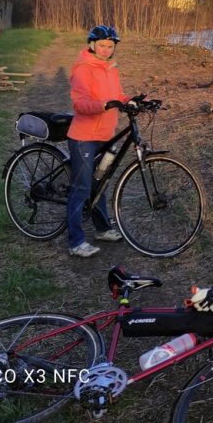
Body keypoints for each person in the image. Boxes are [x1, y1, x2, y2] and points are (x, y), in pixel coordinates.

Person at [66, 25, 132, 257]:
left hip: (106, 134)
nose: (106, 50)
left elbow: (117, 94)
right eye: (102, 45)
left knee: (100, 184)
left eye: (110, 46)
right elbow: (80, 103)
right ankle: (75, 242)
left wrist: (130, 100)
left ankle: (102, 229)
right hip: (84, 136)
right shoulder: (83, 68)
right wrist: (101, 106)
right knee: (81, 188)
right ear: (92, 45)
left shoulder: (110, 68)